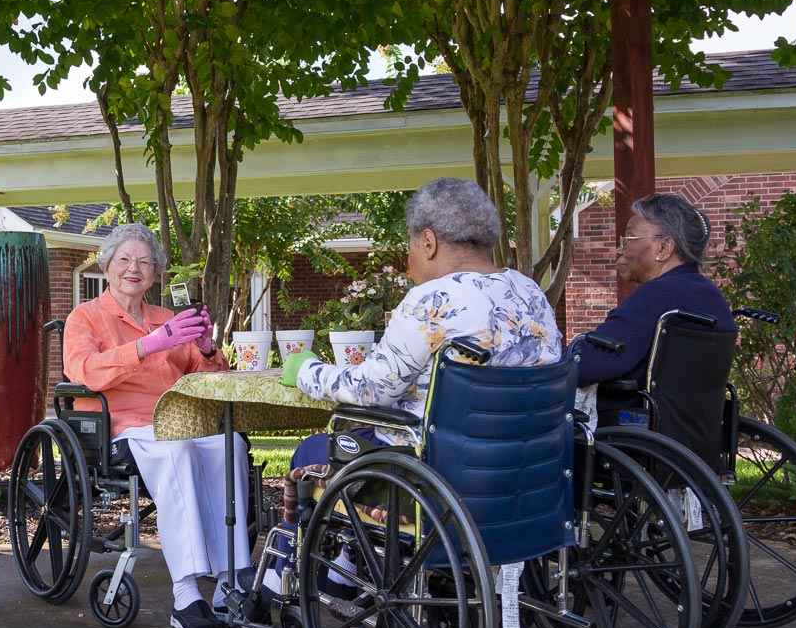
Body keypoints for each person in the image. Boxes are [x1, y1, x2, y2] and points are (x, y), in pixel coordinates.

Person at [265, 177, 563, 597]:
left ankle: (284, 580)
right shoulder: (529, 292)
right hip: (527, 473)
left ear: (428, 241)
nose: (408, 257)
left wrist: (306, 370)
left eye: (409, 245)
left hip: (440, 481)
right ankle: (344, 567)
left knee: (315, 449)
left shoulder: (432, 300)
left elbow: (371, 390)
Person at [63, 223, 250, 628]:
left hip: (177, 421)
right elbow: (83, 372)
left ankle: (229, 582)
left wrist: (203, 346)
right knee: (178, 451)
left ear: (155, 274)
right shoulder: (86, 317)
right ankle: (185, 597)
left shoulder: (168, 319)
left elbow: (211, 377)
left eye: (145, 262)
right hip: (124, 429)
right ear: (107, 265)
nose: (135, 268)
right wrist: (147, 346)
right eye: (126, 259)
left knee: (231, 445)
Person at [575, 193, 736, 422]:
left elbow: (590, 366)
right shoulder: (711, 297)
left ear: (663, 247)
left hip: (630, 431)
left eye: (629, 238)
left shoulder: (657, 295)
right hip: (692, 435)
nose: (621, 249)